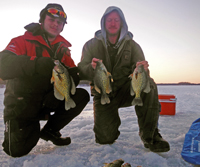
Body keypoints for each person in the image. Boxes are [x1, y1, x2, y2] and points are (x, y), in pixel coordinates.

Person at [0, 3, 90, 157]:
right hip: (23, 104)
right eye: (51, 19)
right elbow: (3, 65)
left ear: (62, 27)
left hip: (49, 99)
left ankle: (50, 131)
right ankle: (25, 125)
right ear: (42, 20)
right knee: (16, 150)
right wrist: (36, 63)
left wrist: (80, 73)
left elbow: (73, 71)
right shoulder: (21, 41)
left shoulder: (63, 49)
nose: (55, 24)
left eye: (59, 22)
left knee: (81, 95)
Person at [78, 6, 170, 152]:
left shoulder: (133, 46)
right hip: (103, 94)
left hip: (126, 90)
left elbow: (142, 72)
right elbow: (81, 70)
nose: (113, 23)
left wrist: (143, 69)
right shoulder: (90, 45)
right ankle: (110, 124)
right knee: (105, 138)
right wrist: (91, 67)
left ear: (122, 23)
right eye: (109, 20)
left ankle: (151, 136)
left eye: (116, 20)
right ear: (103, 23)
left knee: (149, 85)